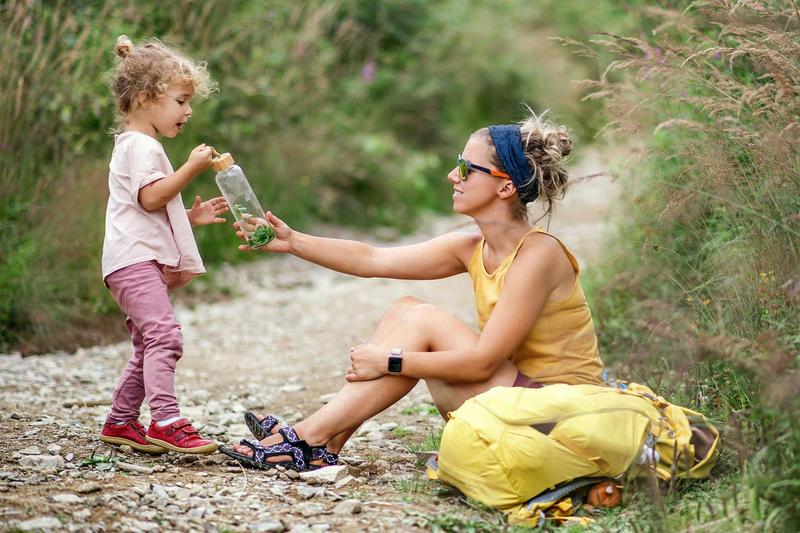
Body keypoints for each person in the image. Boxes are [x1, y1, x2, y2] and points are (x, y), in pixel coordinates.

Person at [221, 111, 605, 470]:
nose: (452, 176)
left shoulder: (539, 254)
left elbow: (484, 363)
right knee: (404, 307)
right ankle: (325, 444)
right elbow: (372, 259)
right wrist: (292, 241)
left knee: (422, 320)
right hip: (520, 406)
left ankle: (306, 437)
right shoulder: (472, 247)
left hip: (560, 425)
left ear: (505, 187)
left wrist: (390, 360)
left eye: (466, 169)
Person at [99, 35, 227, 455]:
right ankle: (167, 421)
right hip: (133, 261)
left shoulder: (137, 145)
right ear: (144, 98)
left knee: (149, 342)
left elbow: (146, 209)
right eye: (181, 101)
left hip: (132, 258)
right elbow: (151, 198)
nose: (188, 112)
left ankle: (121, 421)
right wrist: (191, 169)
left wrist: (188, 216)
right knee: (165, 337)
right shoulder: (141, 145)